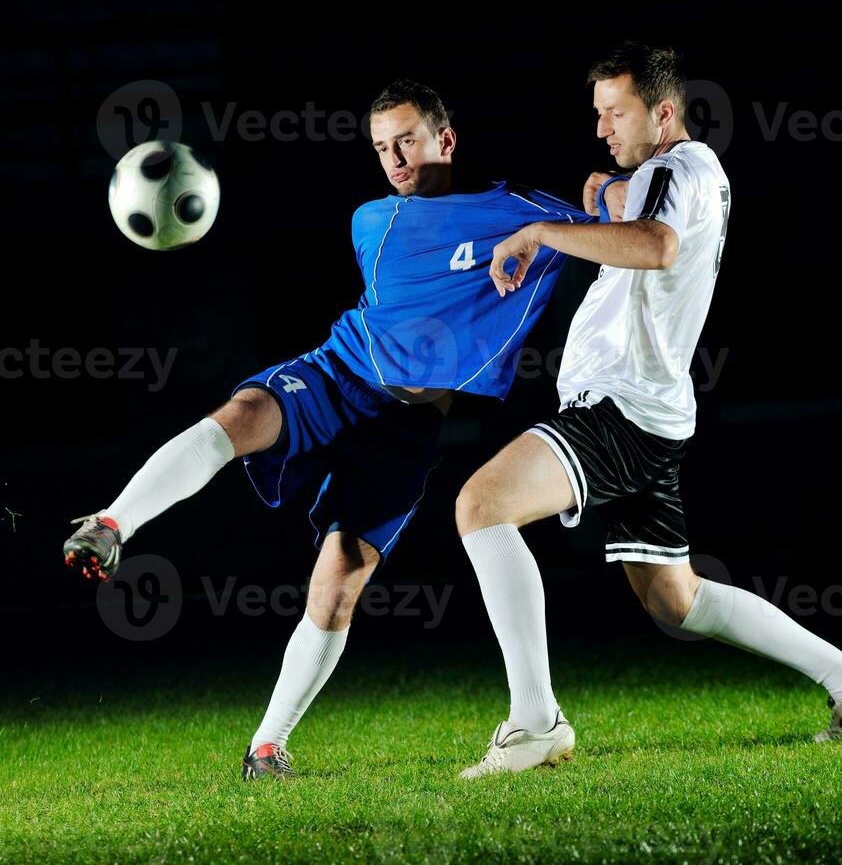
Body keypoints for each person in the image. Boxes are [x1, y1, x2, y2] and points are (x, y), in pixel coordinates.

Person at [62, 78, 598, 780]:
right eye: (382, 147)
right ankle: (112, 523)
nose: (396, 159)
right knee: (241, 416)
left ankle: (265, 747)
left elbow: (607, 225)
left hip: (407, 430)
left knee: (339, 579)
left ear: (447, 139)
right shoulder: (374, 220)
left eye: (407, 139)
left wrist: (598, 197)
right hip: (338, 375)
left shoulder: (523, 212)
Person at [456, 42, 842, 778]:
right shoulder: (699, 172)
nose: (602, 127)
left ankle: (534, 723)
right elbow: (632, 210)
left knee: (480, 506)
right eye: (597, 113)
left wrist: (541, 231)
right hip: (652, 411)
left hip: (621, 409)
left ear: (663, 112)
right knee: (676, 599)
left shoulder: (671, 169)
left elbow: (656, 245)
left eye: (616, 112)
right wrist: (605, 194)